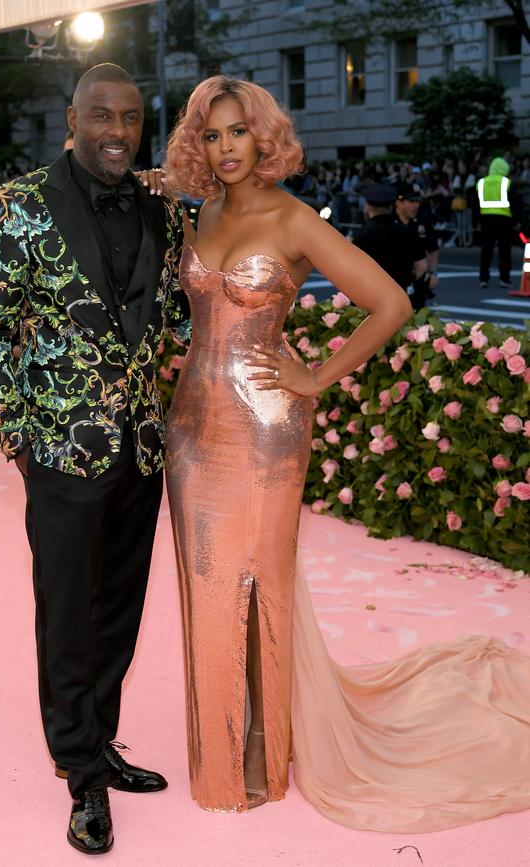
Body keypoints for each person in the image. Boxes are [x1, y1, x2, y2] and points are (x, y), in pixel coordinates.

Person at [163, 75, 530, 832]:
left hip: (265, 429)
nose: (226, 148)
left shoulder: (293, 219)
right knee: (204, 589)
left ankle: (260, 759)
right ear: (198, 143)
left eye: (238, 132)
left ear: (263, 137)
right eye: (212, 134)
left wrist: (314, 376)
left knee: (259, 587)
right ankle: (217, 760)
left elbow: (390, 302)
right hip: (192, 430)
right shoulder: (200, 213)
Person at [0, 63, 190, 856]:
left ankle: (101, 741)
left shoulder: (162, 208)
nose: (118, 132)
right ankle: (78, 769)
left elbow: (174, 319)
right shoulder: (19, 204)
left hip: (140, 449)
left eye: (130, 118)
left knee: (118, 609)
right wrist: (19, 440)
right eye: (102, 115)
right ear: (72, 116)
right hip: (58, 450)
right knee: (67, 615)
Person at [353, 182, 429, 310]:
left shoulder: (362, 235)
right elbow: (421, 267)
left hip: (371, 296)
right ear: (391, 206)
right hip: (401, 294)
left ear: (368, 206)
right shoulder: (408, 232)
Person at [477, 156, 521, 289]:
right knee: (504, 251)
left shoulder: (482, 182)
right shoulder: (507, 183)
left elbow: (475, 204)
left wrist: (477, 221)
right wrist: (517, 220)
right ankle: (504, 279)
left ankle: (483, 279)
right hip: (504, 220)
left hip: (486, 219)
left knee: (486, 250)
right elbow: (515, 203)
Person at [394, 181, 439, 308]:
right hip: (393, 278)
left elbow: (433, 248)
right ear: (399, 201)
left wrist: (432, 273)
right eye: (412, 202)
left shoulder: (422, 221)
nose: (416, 205)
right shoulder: (388, 221)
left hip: (417, 279)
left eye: (418, 202)